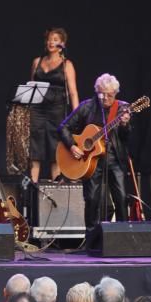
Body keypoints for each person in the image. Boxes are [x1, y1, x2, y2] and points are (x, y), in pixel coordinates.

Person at [58, 73, 131, 234]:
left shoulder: (122, 108)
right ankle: (91, 238)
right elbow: (63, 127)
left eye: (109, 95)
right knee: (91, 199)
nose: (104, 98)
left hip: (114, 159)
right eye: (101, 93)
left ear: (115, 93)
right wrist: (72, 146)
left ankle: (123, 236)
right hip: (90, 162)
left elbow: (126, 138)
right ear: (96, 91)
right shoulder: (87, 107)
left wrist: (125, 125)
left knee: (121, 198)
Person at [29, 27, 79, 182]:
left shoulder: (66, 64)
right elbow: (31, 86)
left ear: (62, 43)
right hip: (37, 109)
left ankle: (55, 189)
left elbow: (73, 92)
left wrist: (76, 116)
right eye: (49, 39)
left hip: (57, 110)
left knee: (55, 149)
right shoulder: (37, 61)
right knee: (34, 149)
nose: (51, 42)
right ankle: (32, 188)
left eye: (55, 40)